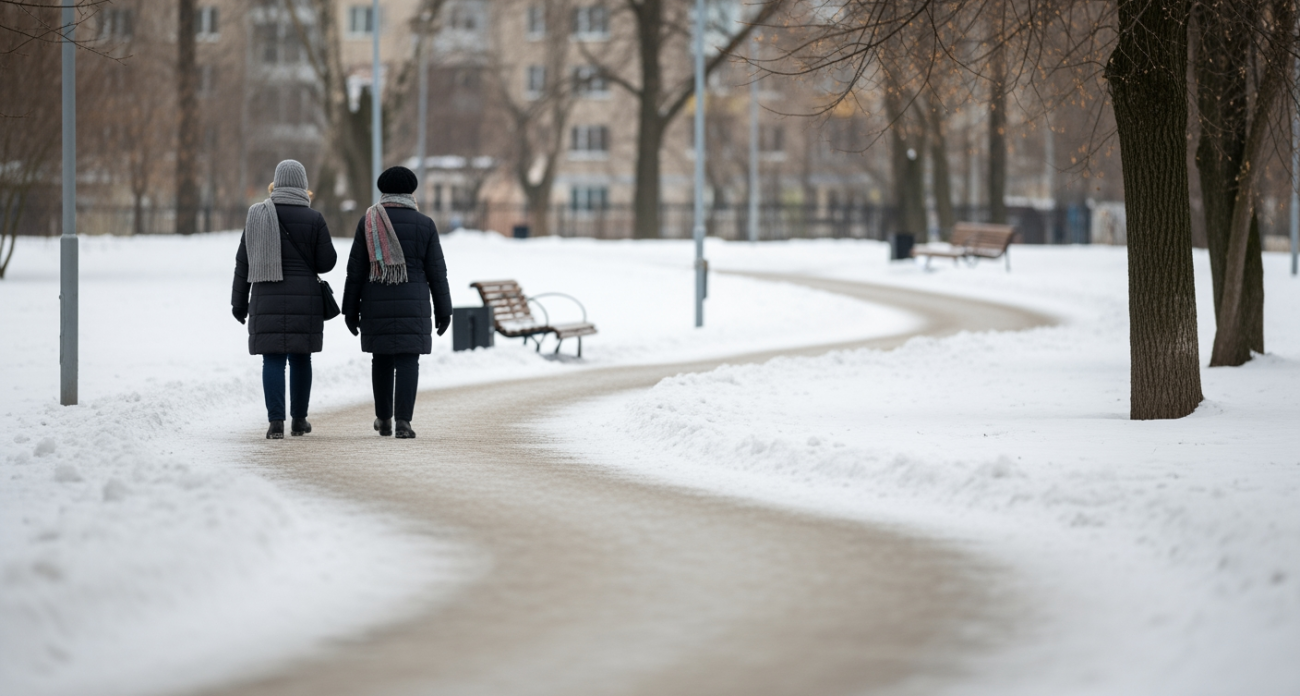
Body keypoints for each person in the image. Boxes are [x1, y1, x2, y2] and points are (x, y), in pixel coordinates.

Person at [342, 166, 451, 439]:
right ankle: (403, 422)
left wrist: (350, 309)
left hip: (374, 300)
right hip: (413, 303)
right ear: (411, 190)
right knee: (407, 361)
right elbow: (437, 272)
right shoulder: (425, 224)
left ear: (383, 189)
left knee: (381, 360)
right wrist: (444, 310)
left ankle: (383, 419)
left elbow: (355, 270)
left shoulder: (368, 221)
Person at [231, 160, 337, 439]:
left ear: (276, 183)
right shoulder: (314, 219)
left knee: (273, 360)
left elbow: (243, 263)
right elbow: (327, 262)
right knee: (301, 358)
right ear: (303, 185)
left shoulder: (257, 215)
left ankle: (275, 423)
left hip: (267, 298)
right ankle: (299, 420)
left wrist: (239, 303)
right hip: (305, 300)